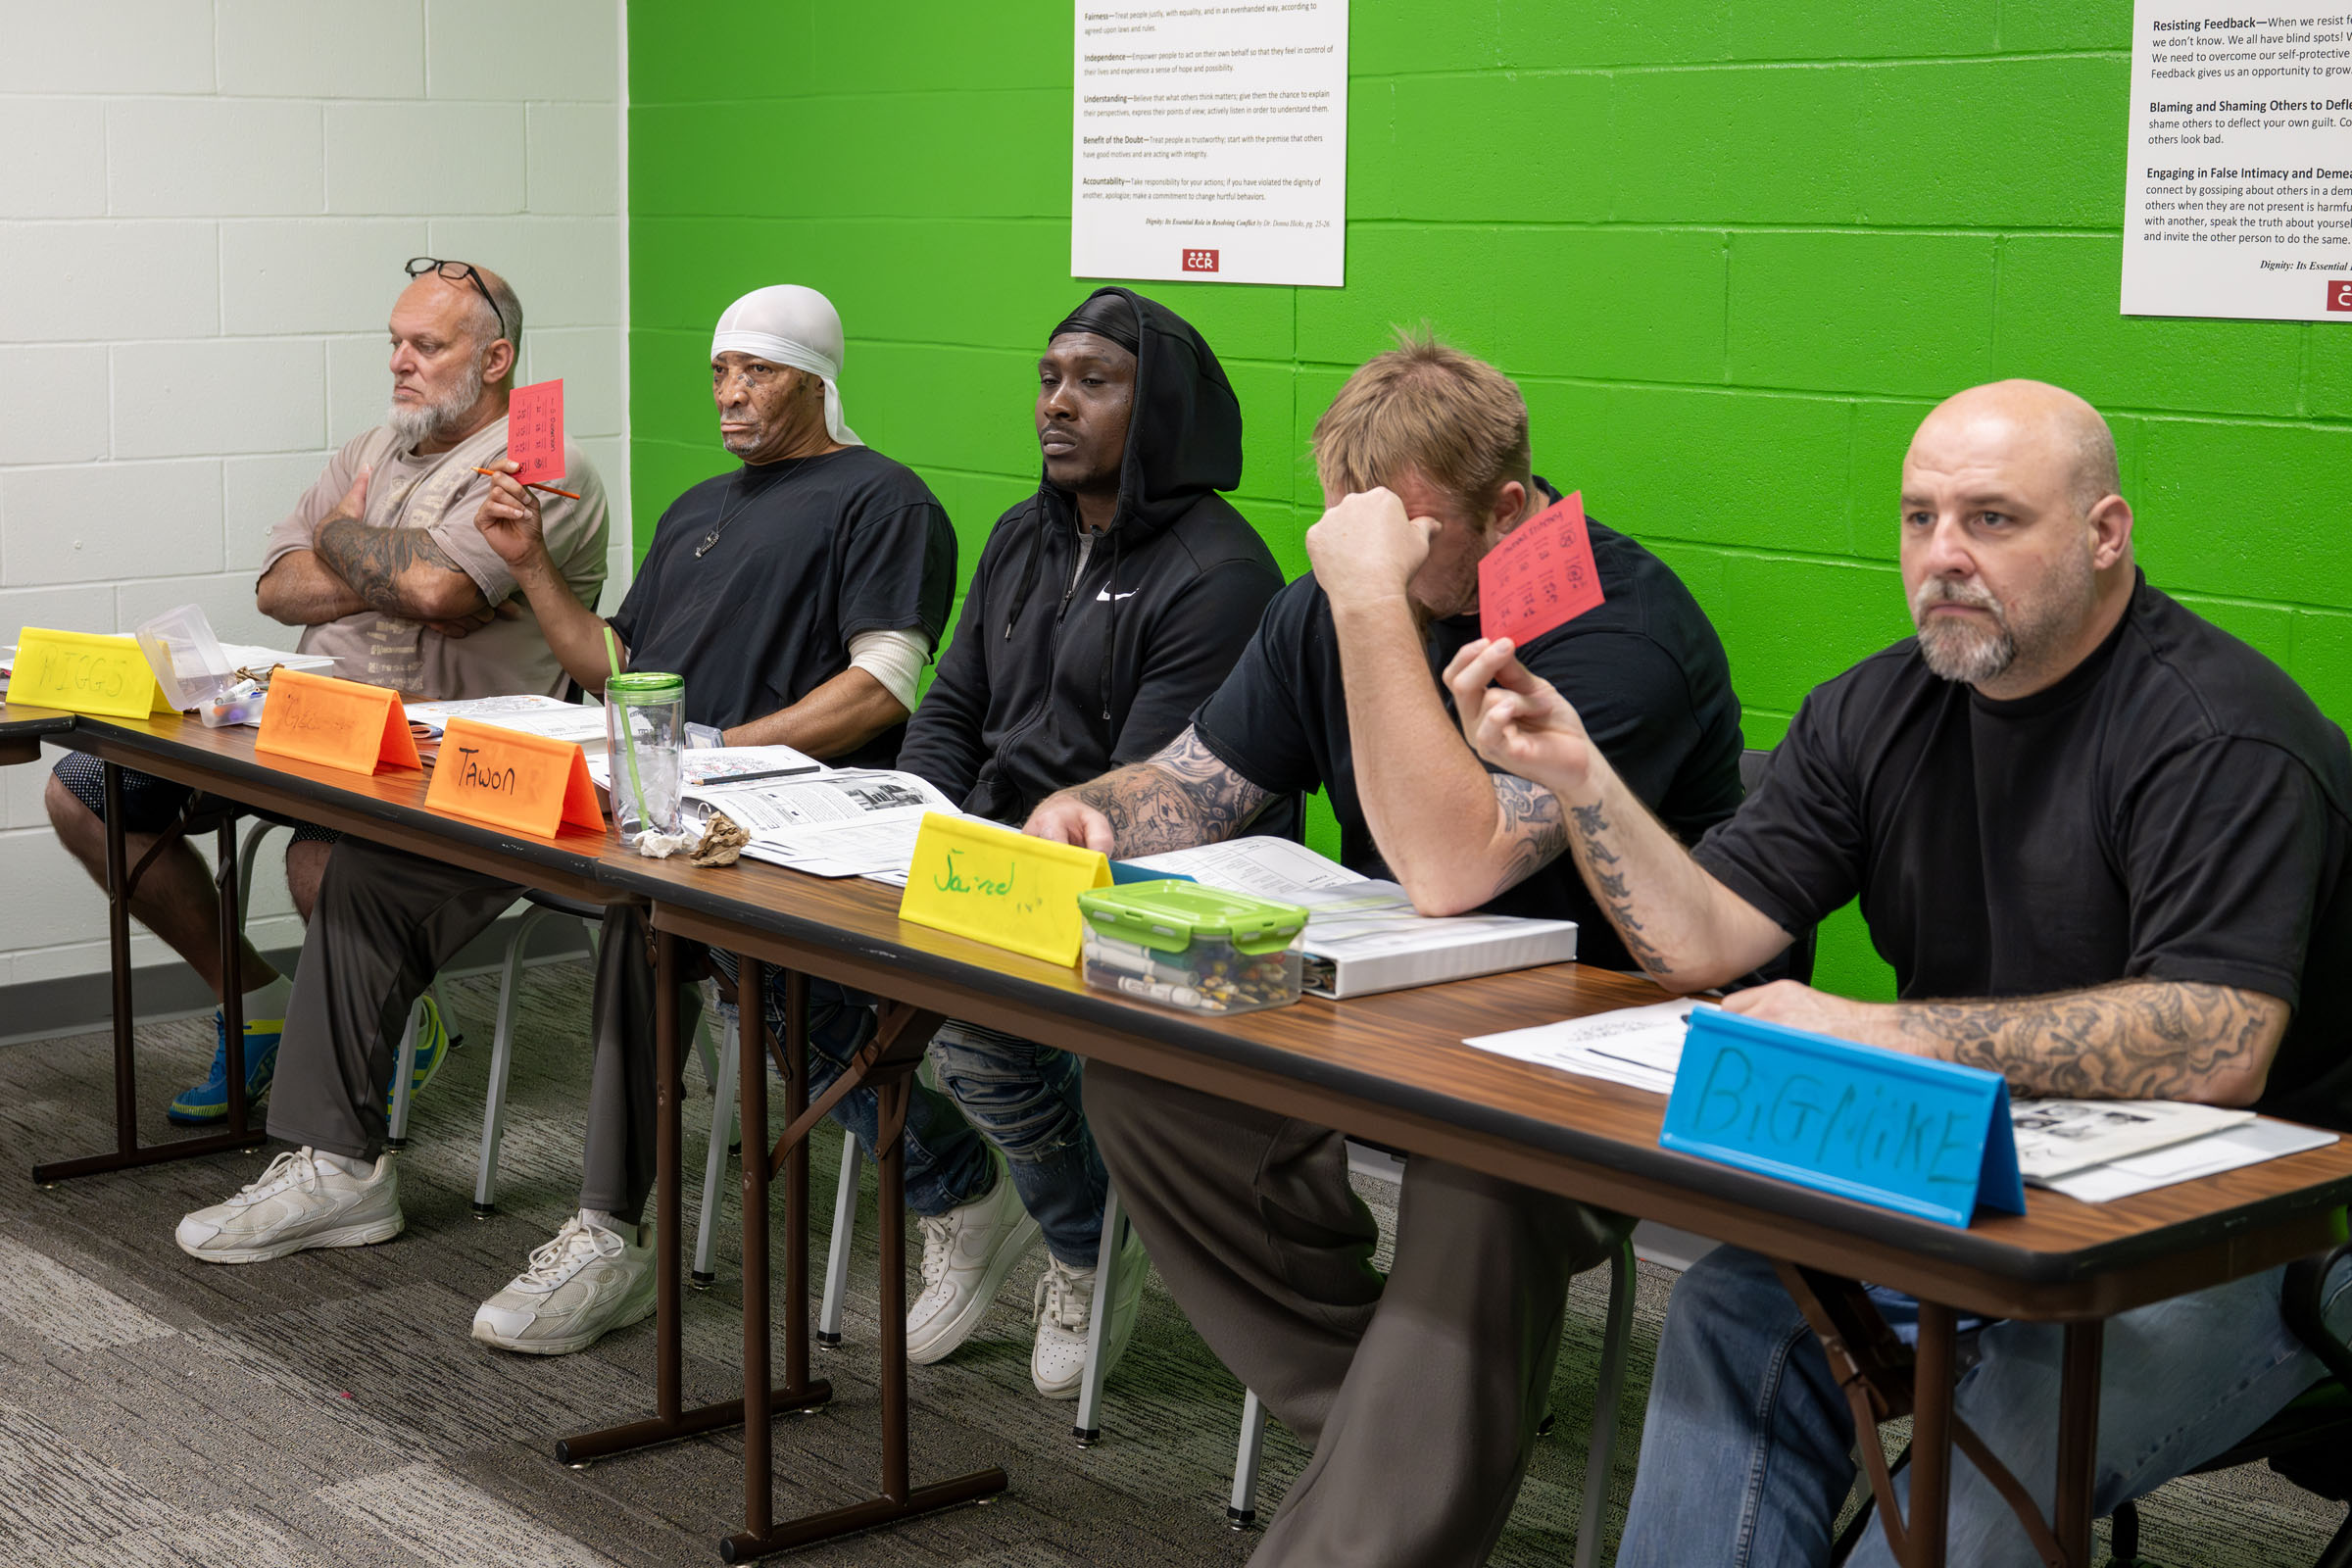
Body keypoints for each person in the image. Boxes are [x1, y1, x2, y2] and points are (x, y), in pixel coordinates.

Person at [1441, 379, 2352, 1568]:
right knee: (1733, 1307)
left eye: (1992, 519)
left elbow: (2218, 1040)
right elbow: (1708, 936)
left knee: (1997, 1446)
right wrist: (1583, 781)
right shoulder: (1878, 707)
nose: (1945, 556)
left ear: (2105, 533)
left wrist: (1887, 1032)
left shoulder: (2219, 734)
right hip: (1988, 1173)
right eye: (1920, 518)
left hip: (2249, 1233)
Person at [1024, 331, 1746, 1563]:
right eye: (1350, 529)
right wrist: (1094, 809)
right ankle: (1407, 1413)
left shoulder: (1618, 632)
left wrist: (1364, 597)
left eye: (1405, 532)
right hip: (1382, 1018)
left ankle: (1382, 1482)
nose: (1371, 556)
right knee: (1144, 1075)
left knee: (1476, 1167)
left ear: (1507, 511)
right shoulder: (1339, 601)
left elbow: (1452, 865)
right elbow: (1202, 782)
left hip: (1591, 1065)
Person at [174, 284, 957, 1362]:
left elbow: (883, 686)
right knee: (372, 868)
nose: (730, 394)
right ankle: (339, 1163)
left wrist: (722, 755)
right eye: (721, 372)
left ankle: (608, 1231)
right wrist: (534, 563)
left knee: (647, 925)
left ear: (817, 380)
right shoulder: (700, 507)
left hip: (761, 807)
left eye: (757, 373)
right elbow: (614, 668)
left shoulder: (884, 500)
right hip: (644, 787)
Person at [731, 286, 1286, 1400]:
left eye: (1095, 381)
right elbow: (948, 711)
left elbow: (1137, 788)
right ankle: (959, 1195)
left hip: (1132, 873)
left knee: (977, 1021)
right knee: (769, 962)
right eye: (1048, 378)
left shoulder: (1219, 573)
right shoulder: (1020, 537)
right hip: (980, 849)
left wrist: (969, 856)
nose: (1057, 404)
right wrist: (900, 820)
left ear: (1160, 405)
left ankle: (1085, 1241)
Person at [42, 257, 607, 1126]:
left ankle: (377, 1031)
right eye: (393, 342)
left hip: (435, 753)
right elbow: (276, 585)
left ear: (495, 361)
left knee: (322, 863)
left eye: (426, 344)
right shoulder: (371, 447)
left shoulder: (539, 453)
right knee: (85, 791)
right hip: (315, 725)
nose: (398, 362)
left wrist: (342, 534)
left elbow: (439, 594)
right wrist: (395, 565)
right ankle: (258, 1006)